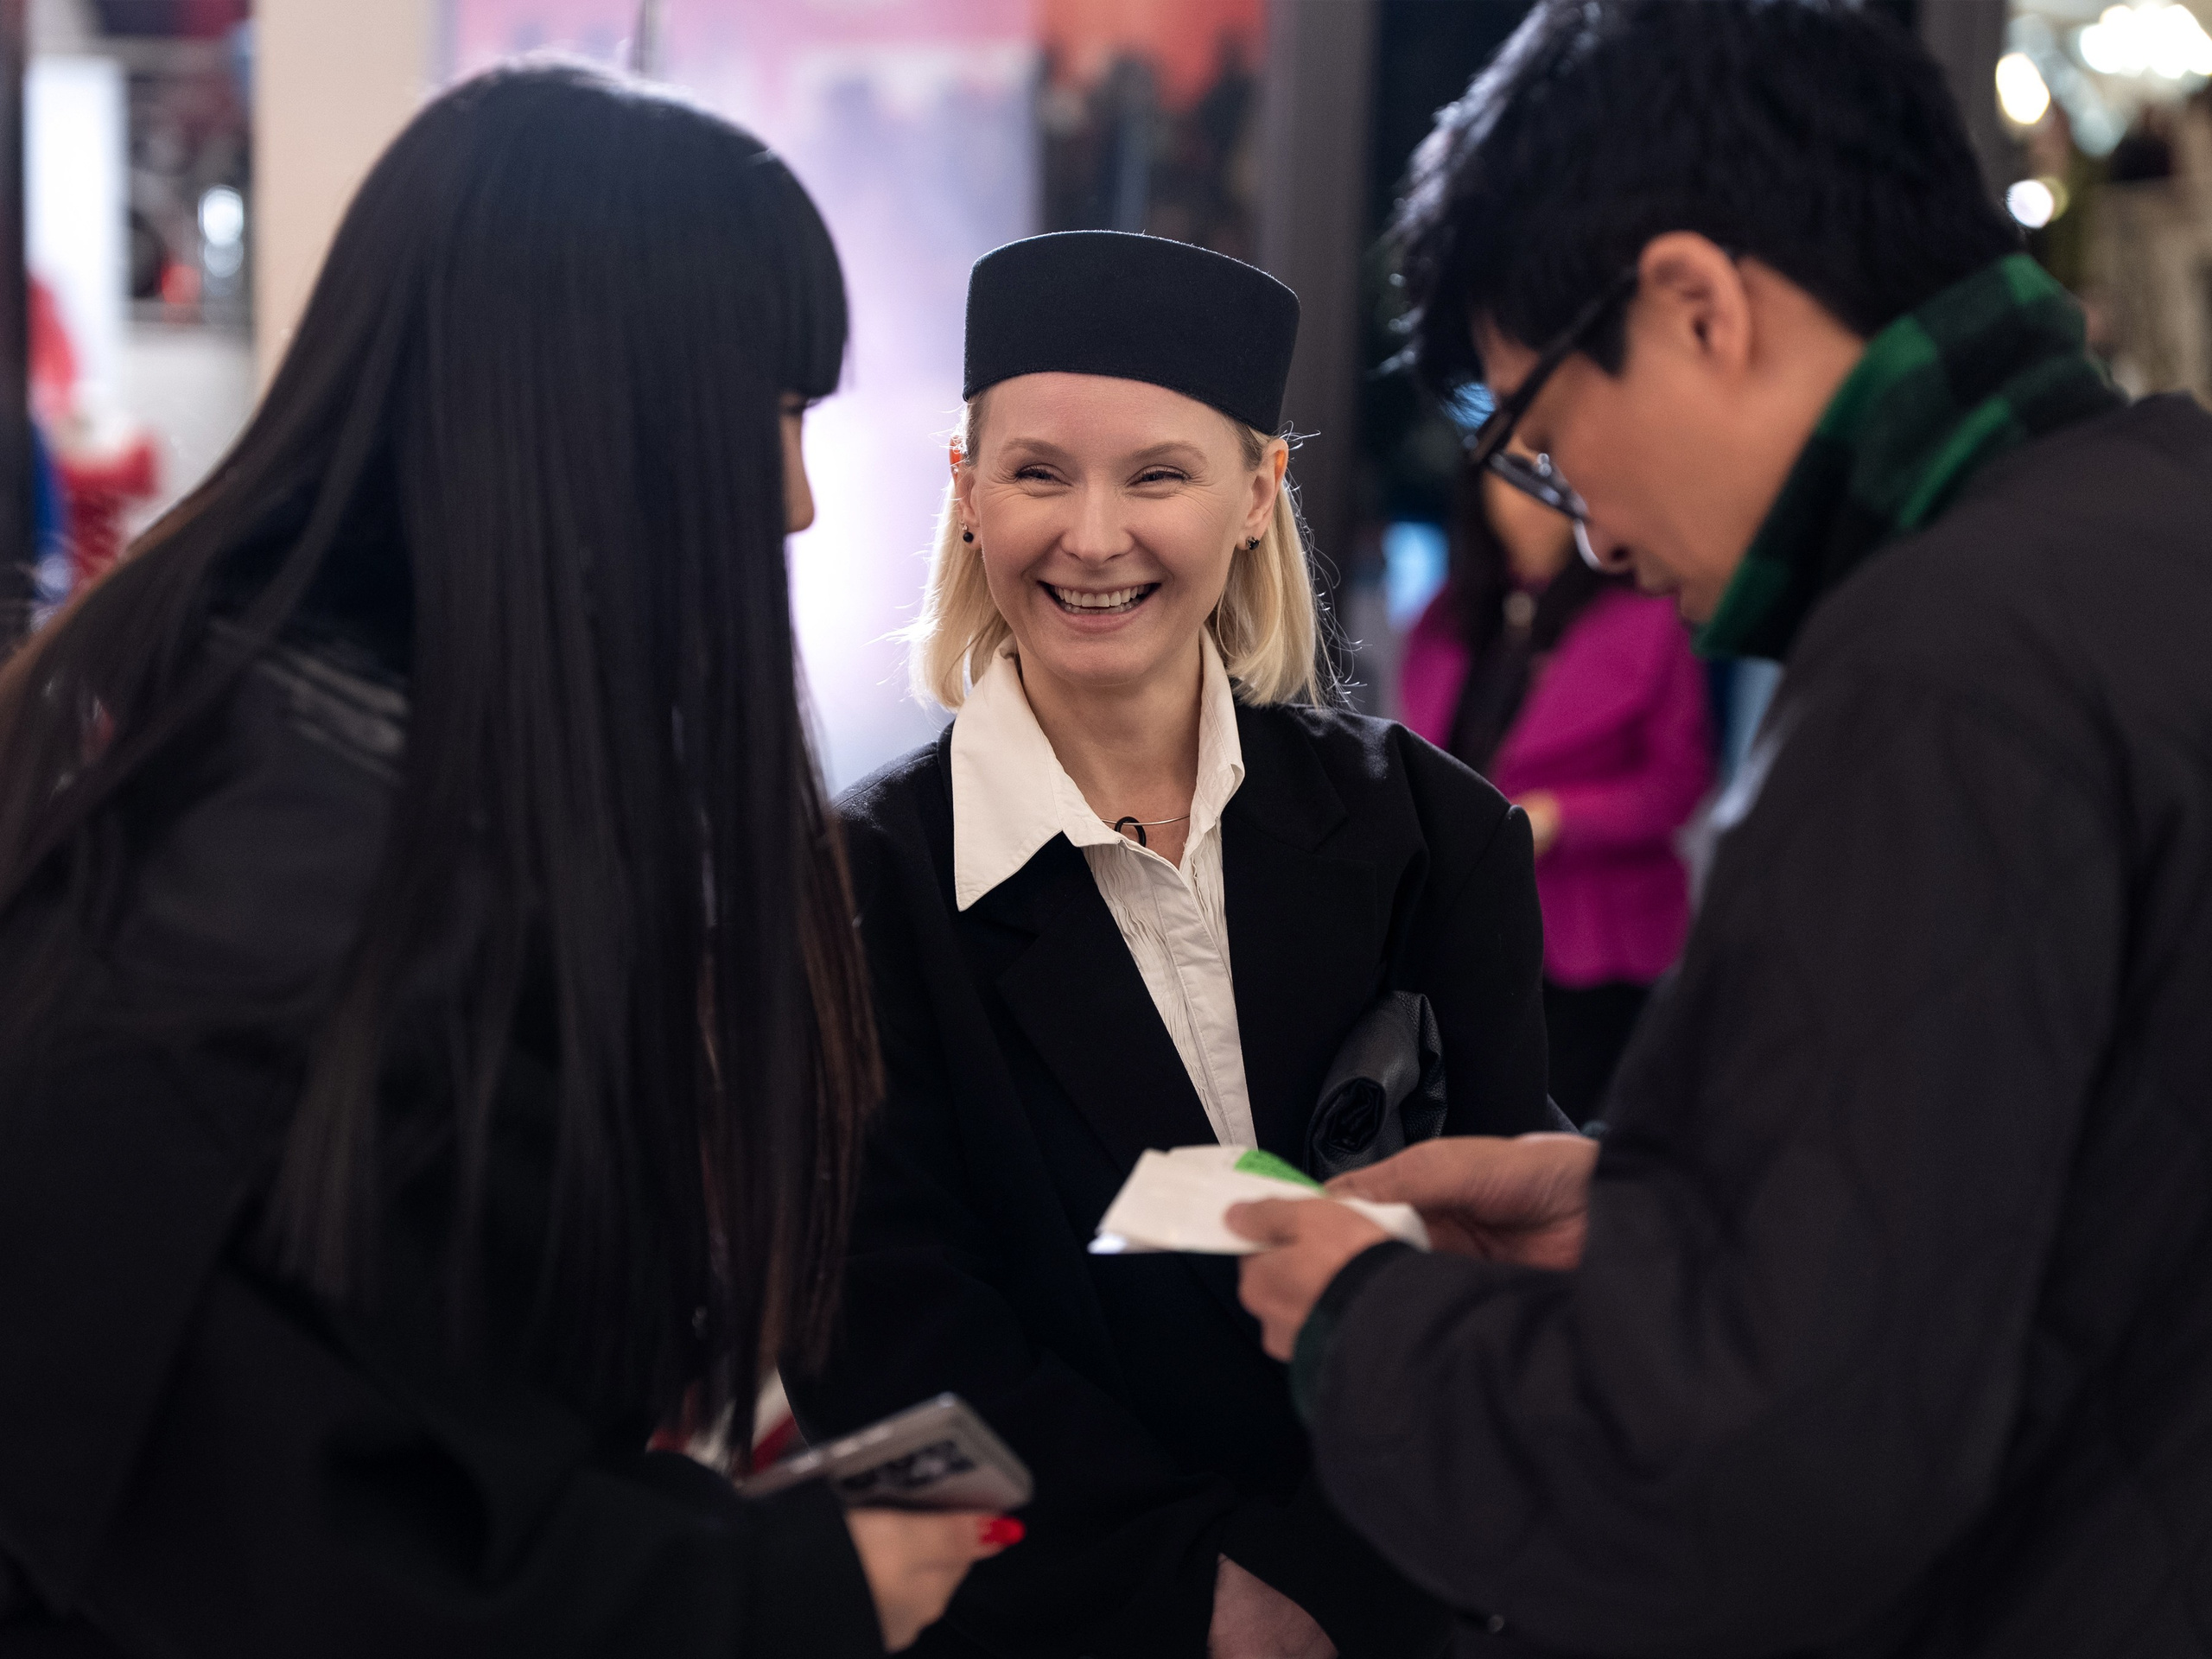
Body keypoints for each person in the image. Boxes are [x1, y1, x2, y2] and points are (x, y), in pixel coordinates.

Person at [1228, 2, 2212, 1654]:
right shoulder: (2156, 524)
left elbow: (1744, 1474)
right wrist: (1670, 1212)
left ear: (1694, 307)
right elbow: (2057, 1196)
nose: (1593, 536)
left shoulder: (1940, 666)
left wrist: (1365, 1328)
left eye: (1546, 450)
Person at [0, 63, 1007, 1657]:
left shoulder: (235, 774)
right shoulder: (302, 920)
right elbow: (342, 1557)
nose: (802, 502)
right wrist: (799, 1590)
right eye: (772, 421)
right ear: (593, 424)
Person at [784, 230, 1558, 1659]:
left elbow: (1498, 1277)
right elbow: (878, 1363)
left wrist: (1358, 1590)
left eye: (1158, 474)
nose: (1092, 536)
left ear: (1259, 494)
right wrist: (1201, 1595)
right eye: (1035, 473)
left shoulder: (1436, 839)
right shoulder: (854, 891)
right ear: (965, 495)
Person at [1399, 447, 1709, 1123]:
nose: (1525, 497)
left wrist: (1560, 818)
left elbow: (1678, 785)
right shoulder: (1447, 614)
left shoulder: (1650, 615)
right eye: (1506, 475)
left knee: (1562, 1142)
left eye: (1546, 476)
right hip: (1465, 936)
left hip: (1592, 938)